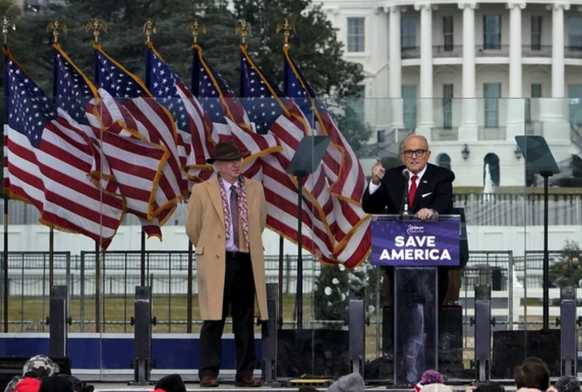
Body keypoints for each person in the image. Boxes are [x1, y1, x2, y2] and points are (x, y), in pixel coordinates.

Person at [361, 134, 455, 383]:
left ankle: (430, 374)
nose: (414, 157)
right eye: (409, 153)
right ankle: (402, 373)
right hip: (399, 265)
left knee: (429, 321)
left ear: (428, 154)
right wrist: (375, 183)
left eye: (419, 152)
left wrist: (432, 211)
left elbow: (445, 203)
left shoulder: (441, 176)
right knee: (402, 321)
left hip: (432, 265)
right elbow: (370, 207)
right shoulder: (392, 177)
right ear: (402, 155)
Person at [186, 141, 268, 388]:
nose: (237, 164)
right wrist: (211, 247)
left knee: (244, 320)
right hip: (216, 262)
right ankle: (209, 372)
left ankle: (245, 373)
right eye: (231, 161)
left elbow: (260, 223)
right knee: (213, 320)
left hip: (244, 261)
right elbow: (194, 228)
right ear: (218, 166)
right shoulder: (202, 190)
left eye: (239, 159)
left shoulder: (255, 189)